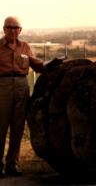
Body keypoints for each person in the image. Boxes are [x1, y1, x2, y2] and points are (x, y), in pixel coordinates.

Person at [0, 16, 63, 178]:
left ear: (20, 30)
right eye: (9, 27)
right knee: (1, 127)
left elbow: (37, 66)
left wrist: (51, 64)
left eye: (16, 27)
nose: (13, 30)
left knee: (18, 127)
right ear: (4, 29)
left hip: (22, 86)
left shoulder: (25, 47)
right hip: (3, 87)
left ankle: (12, 163)